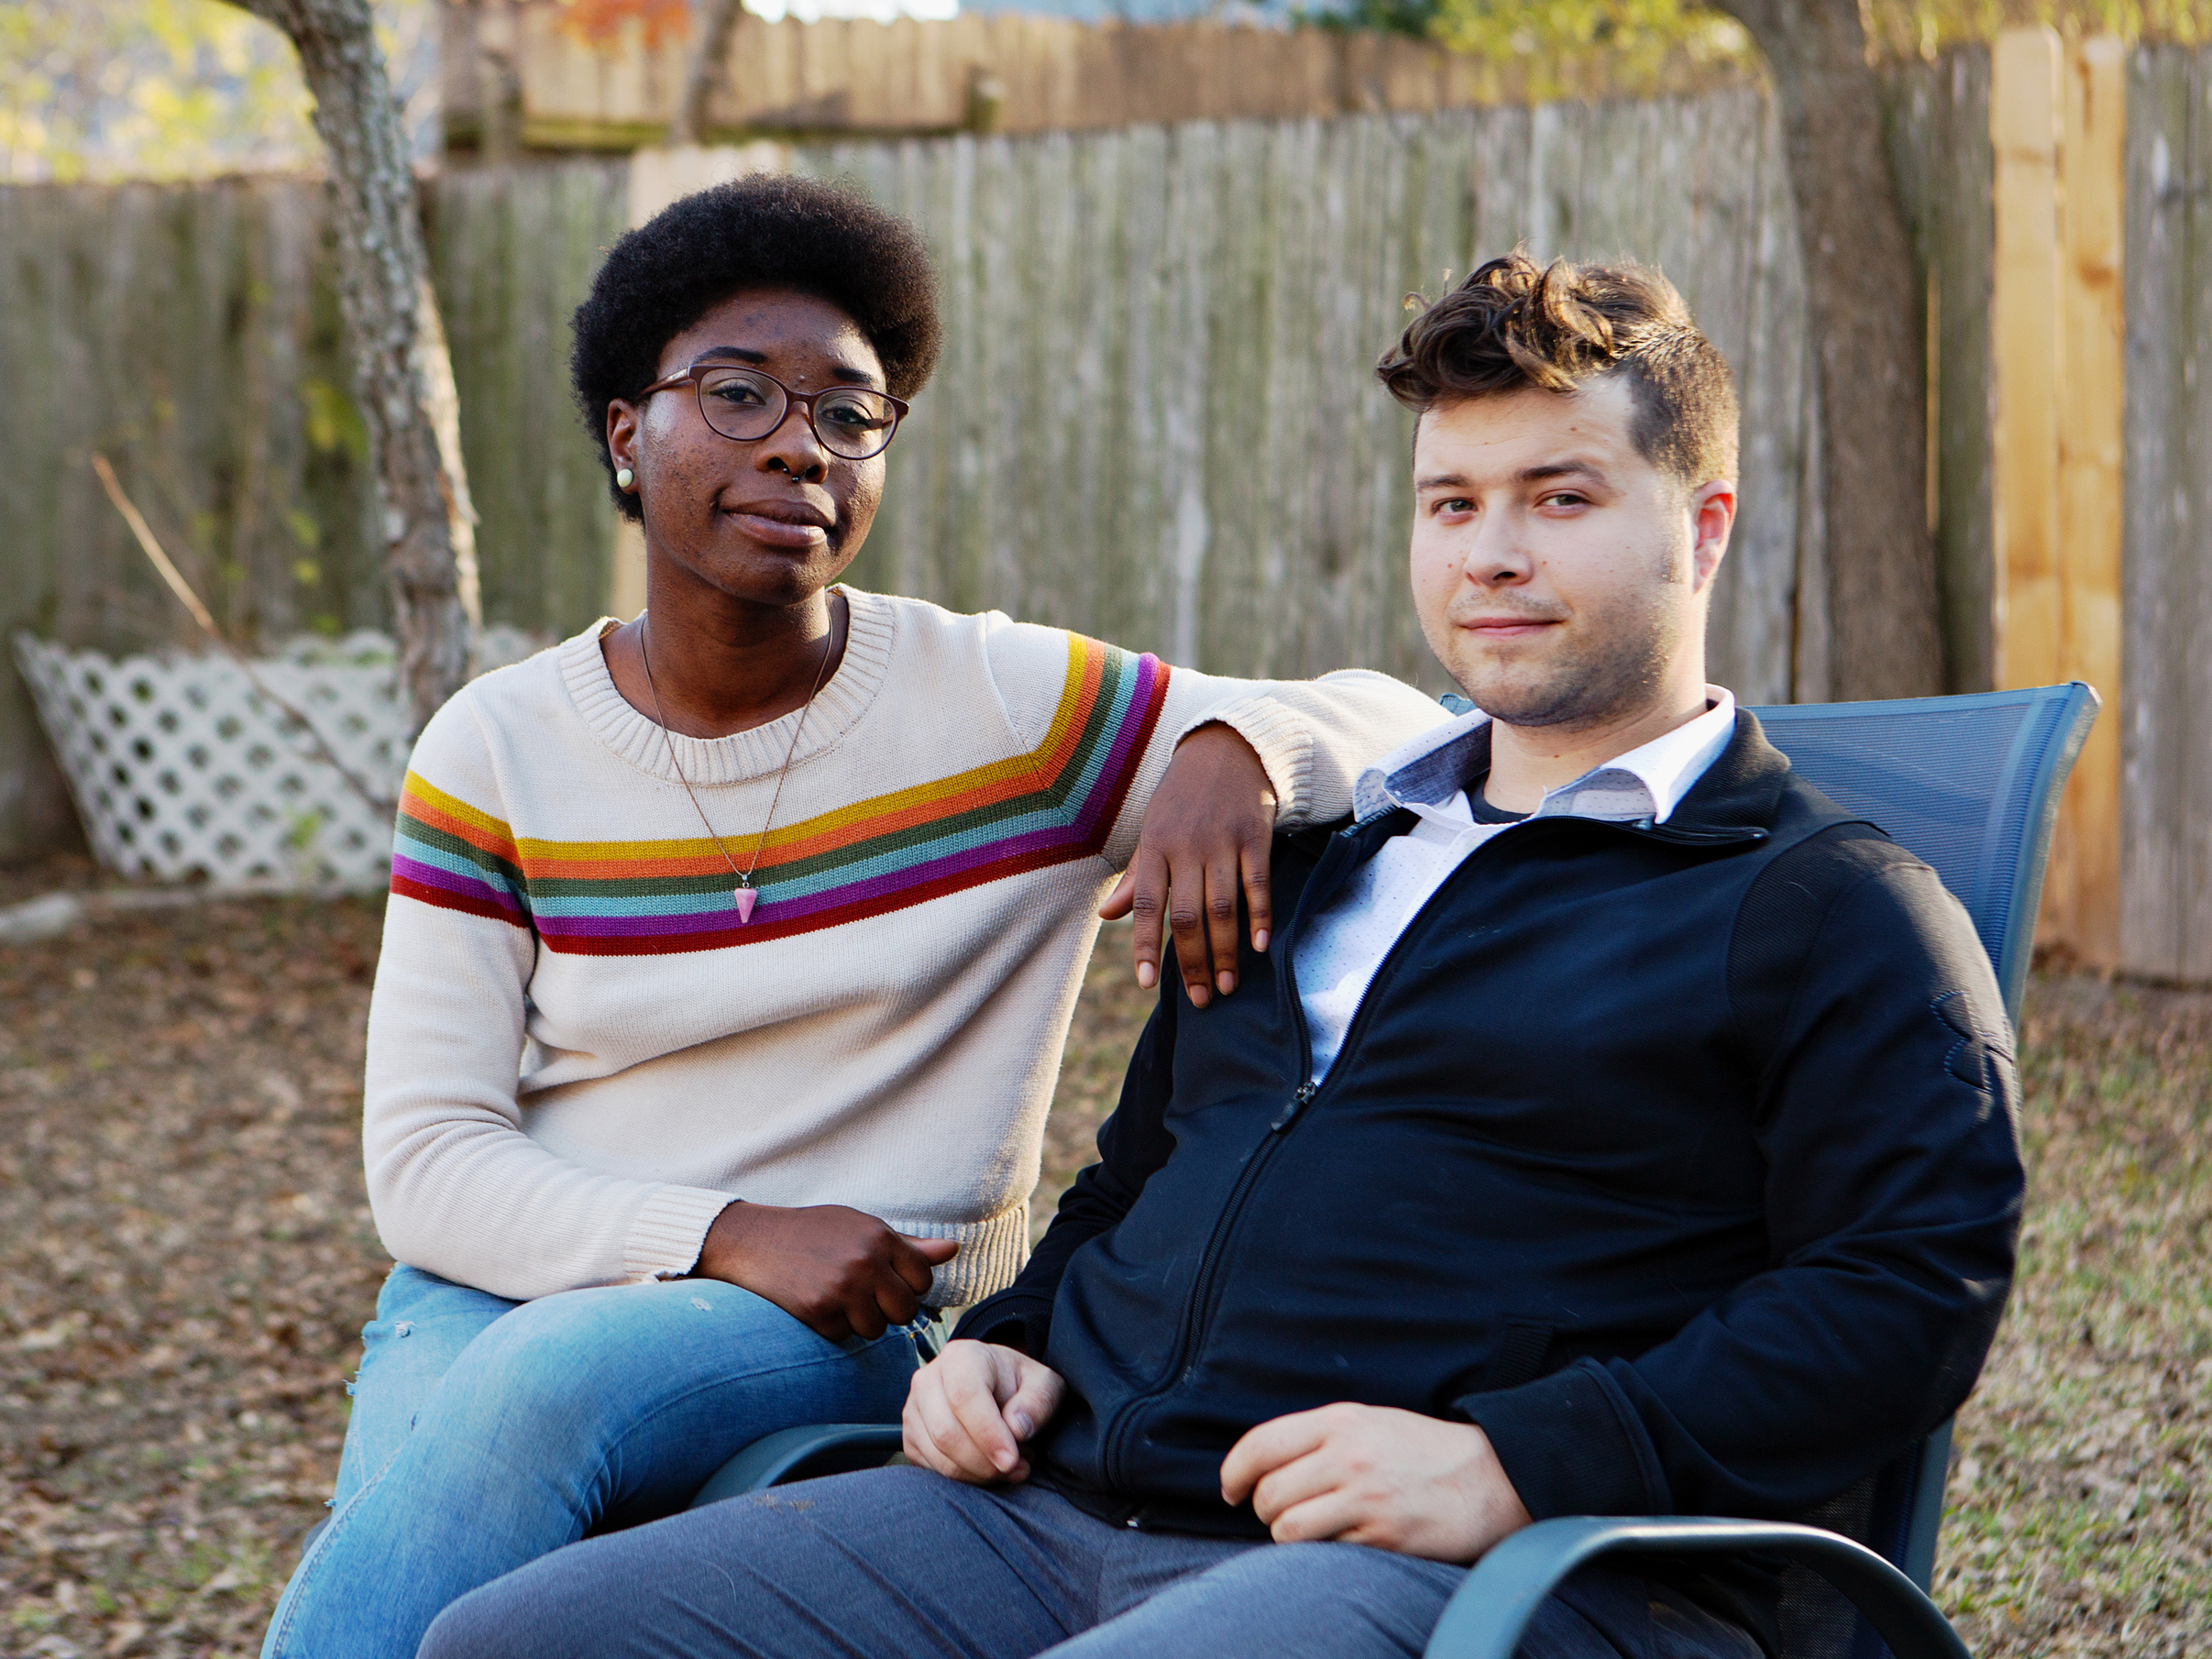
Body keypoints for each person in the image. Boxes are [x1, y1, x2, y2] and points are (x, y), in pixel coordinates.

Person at [418, 251, 2028, 1659]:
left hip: (1480, 1575)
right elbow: (1131, 1186)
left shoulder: (1820, 899)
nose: (1491, 555)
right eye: (1451, 503)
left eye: (1561, 496)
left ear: (1703, 527)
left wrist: (1519, 1462)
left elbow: (1905, 1284)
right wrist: (1006, 1345)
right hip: (1047, 1519)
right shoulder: (1320, 856)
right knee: (517, 1636)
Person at [257, 176, 1446, 1659]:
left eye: (846, 411)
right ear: (627, 434)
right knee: (464, 1430)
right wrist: (723, 1230)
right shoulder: (495, 747)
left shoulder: (1006, 709)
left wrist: (1241, 748)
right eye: (737, 393)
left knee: (525, 1394)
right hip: (518, 1274)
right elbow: (427, 1158)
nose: (794, 445)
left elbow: (1416, 720)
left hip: (864, 1314)